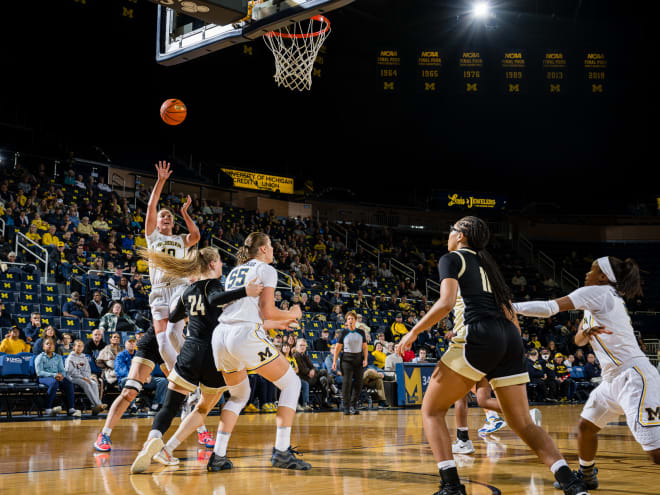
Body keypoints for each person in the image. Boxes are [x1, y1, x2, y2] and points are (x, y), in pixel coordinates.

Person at [397, 216, 589, 495]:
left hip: (478, 334)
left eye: (452, 229)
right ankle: (571, 482)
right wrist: (512, 349)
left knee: (432, 410)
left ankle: (451, 486)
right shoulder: (489, 265)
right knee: (521, 422)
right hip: (509, 337)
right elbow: (509, 311)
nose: (449, 233)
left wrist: (413, 332)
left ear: (461, 235)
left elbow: (446, 302)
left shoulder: (451, 259)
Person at [514, 255, 660, 484]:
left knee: (655, 453)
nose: (586, 274)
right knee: (585, 428)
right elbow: (579, 340)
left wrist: (510, 307)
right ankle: (587, 475)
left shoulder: (598, 292)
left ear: (603, 276)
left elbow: (549, 308)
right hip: (612, 379)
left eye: (591, 270)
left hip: (634, 376)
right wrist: (587, 333)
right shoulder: (600, 300)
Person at [94, 161, 201, 453]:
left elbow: (196, 237)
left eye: (169, 216)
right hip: (157, 303)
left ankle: (200, 430)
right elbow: (151, 206)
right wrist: (160, 181)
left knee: (181, 377)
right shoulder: (153, 237)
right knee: (146, 387)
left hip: (178, 290)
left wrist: (184, 213)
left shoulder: (180, 240)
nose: (164, 218)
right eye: (162, 216)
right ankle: (104, 434)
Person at [130, 246, 266, 473]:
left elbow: (173, 318)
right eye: (220, 261)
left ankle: (153, 439)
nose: (222, 264)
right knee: (203, 407)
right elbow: (215, 299)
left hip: (190, 351)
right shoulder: (213, 284)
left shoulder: (187, 291)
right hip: (214, 353)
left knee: (169, 406)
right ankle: (170, 447)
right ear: (212, 264)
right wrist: (246, 291)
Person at [211, 232, 309, 470]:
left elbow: (250, 315)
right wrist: (292, 314)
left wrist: (279, 323)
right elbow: (268, 310)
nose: (274, 250)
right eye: (272, 245)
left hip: (222, 335)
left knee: (239, 396)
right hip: (243, 336)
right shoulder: (266, 270)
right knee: (292, 384)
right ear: (263, 249)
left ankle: (218, 455)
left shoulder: (235, 271)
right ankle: (282, 451)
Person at [332, 311, 368, 415]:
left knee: (359, 383)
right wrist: (334, 361)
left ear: (356, 320)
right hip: (347, 359)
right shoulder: (343, 332)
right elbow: (337, 348)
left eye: (352, 318)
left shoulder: (361, 333)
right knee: (347, 383)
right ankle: (346, 406)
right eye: (349, 319)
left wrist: (365, 359)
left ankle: (354, 405)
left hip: (358, 359)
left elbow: (365, 347)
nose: (350, 320)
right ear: (346, 321)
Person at [35, 338, 81, 417]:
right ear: (43, 347)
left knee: (68, 383)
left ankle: (71, 408)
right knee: (54, 383)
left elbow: (62, 370)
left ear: (54, 346)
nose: (49, 345)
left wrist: (61, 375)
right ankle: (48, 408)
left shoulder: (58, 357)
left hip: (57, 377)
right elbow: (39, 372)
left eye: (51, 344)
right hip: (43, 377)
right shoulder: (39, 357)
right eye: (47, 344)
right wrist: (54, 375)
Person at [65, 339, 107, 415]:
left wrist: (86, 377)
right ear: (74, 347)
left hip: (84, 377)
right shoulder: (70, 358)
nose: (79, 348)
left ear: (83, 348)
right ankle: (97, 404)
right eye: (78, 346)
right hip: (72, 378)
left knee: (93, 383)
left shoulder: (84, 358)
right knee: (85, 383)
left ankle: (95, 406)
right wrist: (83, 377)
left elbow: (87, 370)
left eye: (81, 346)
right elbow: (71, 372)